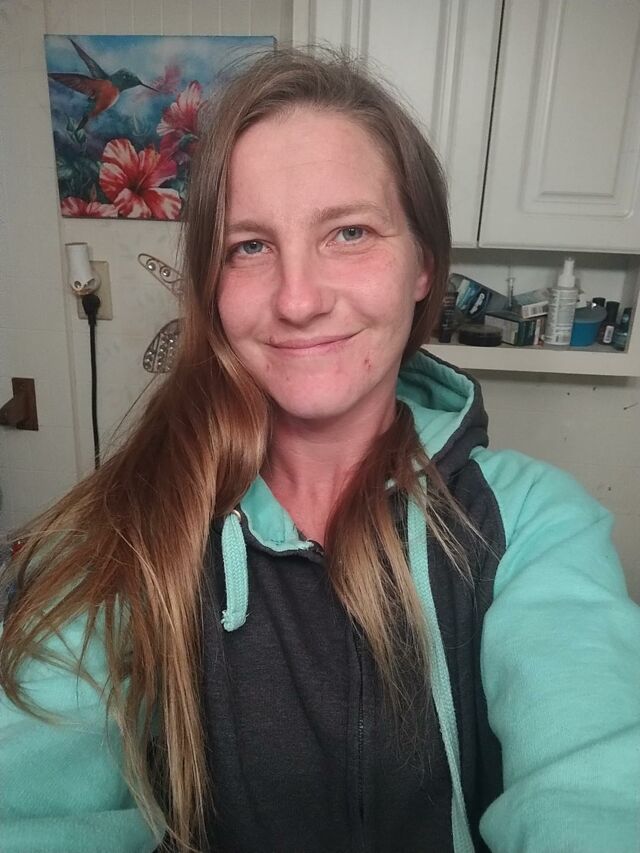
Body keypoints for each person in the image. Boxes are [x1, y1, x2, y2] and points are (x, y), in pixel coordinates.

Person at [1, 47, 639, 853]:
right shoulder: (124, 528)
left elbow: (594, 784)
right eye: (249, 246)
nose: (298, 300)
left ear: (423, 265)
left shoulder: (535, 524)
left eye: (349, 232)